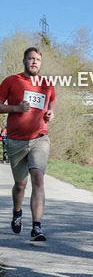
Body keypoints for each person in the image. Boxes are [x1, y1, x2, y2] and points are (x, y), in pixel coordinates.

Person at [0, 47, 56, 242]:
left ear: (40, 63)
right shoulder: (11, 81)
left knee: (38, 179)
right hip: (16, 140)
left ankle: (36, 227)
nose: (34, 62)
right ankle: (17, 212)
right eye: (31, 59)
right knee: (20, 184)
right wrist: (15, 108)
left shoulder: (47, 84)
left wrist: (51, 111)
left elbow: (53, 101)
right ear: (24, 61)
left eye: (37, 60)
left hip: (40, 138)